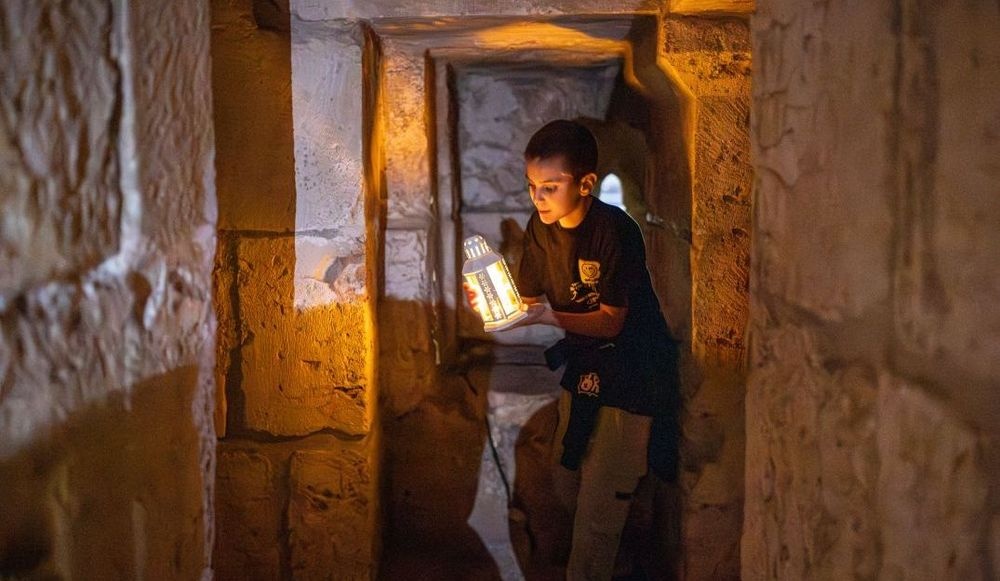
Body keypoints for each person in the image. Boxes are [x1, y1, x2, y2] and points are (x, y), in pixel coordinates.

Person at [465, 119, 680, 580]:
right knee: (568, 479)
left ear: (585, 183)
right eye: (531, 186)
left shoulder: (614, 232)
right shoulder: (540, 229)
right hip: (586, 367)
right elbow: (526, 304)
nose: (537, 198)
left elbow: (610, 319)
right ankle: (618, 557)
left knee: (599, 510)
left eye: (550, 186)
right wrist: (493, 299)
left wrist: (545, 317)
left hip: (635, 372)